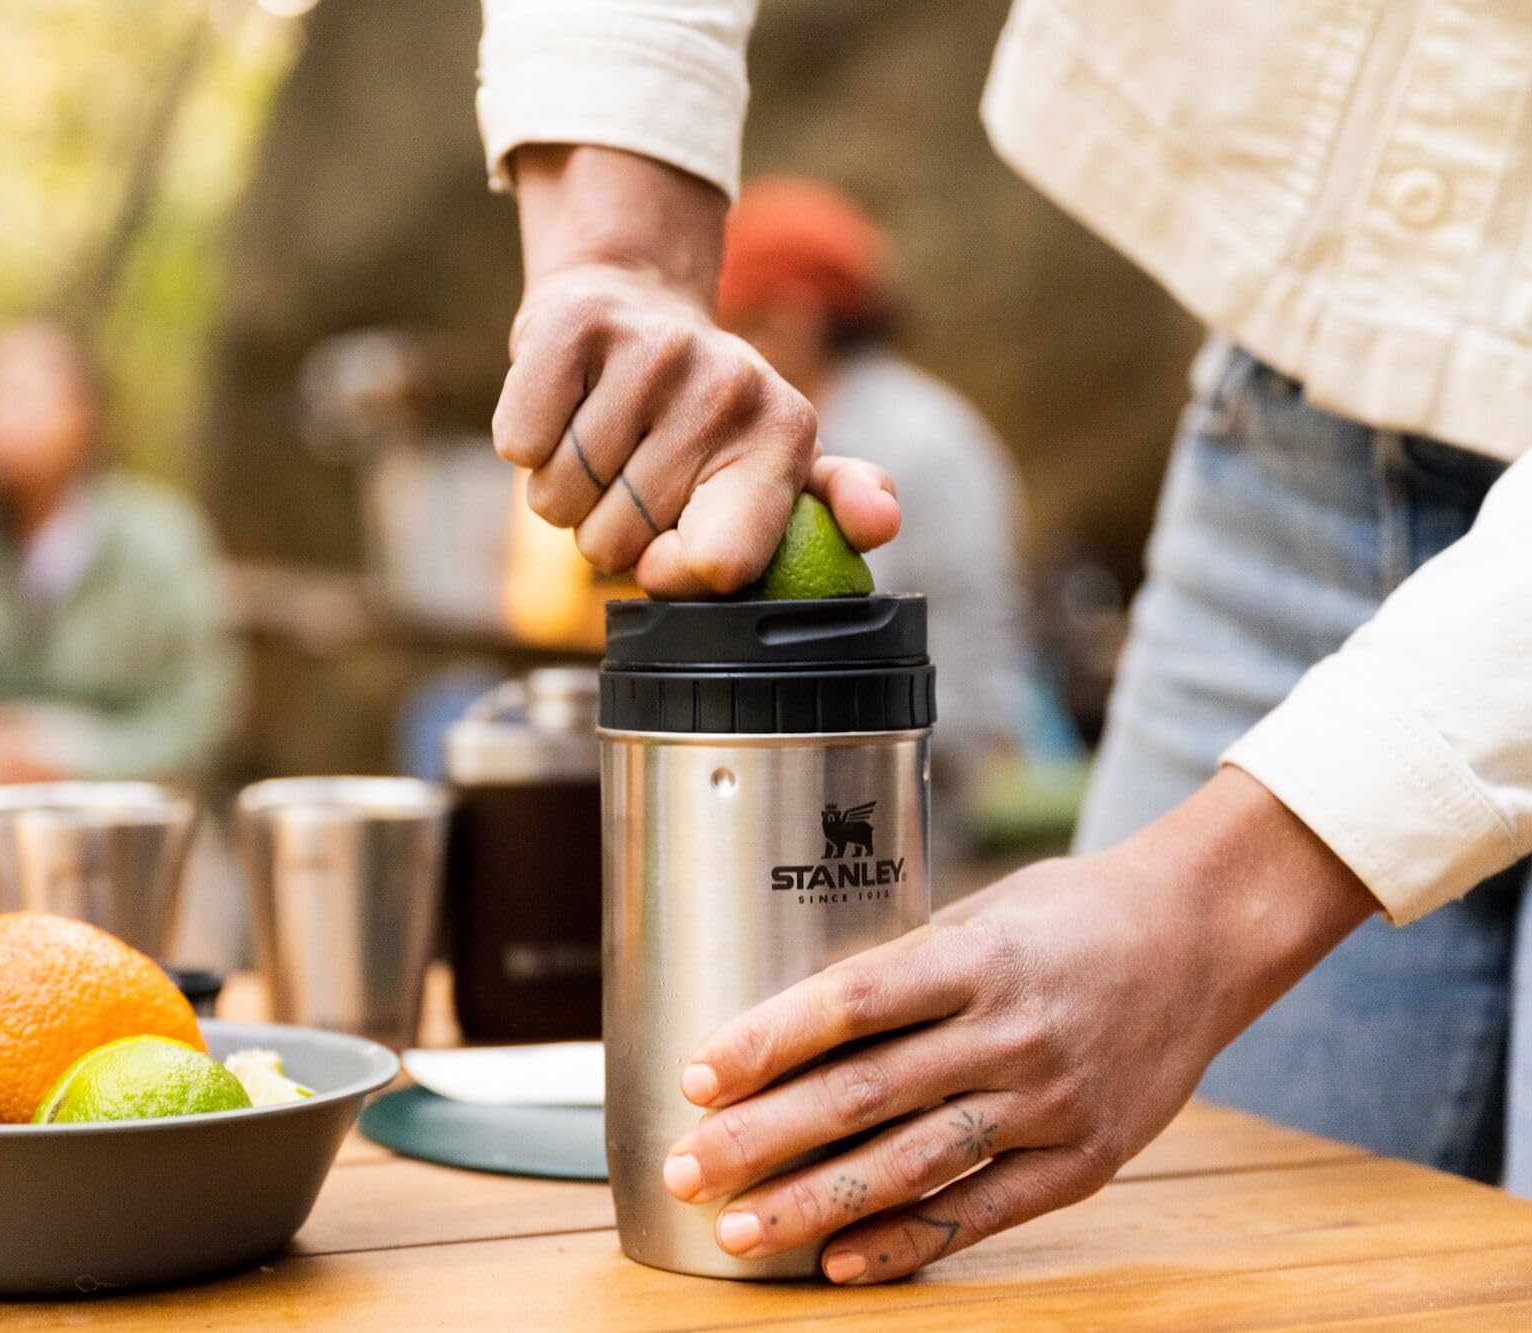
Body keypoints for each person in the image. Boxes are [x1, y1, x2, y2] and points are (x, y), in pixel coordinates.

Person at [476, 0, 1532, 1286]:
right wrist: (616, 254)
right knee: (1224, 1275)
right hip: (1290, 431)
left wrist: (1200, 911)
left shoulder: (896, 437)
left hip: (975, 742)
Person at [716, 176, 1044, 862]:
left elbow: (851, 627)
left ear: (792, 317)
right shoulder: (862, 419)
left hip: (917, 768)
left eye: (737, 325)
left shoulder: (897, 437)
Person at [0, 320, 241, 795]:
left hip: (122, 822)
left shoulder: (161, 543)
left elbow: (201, 721)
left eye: (27, 394)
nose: (2, 414)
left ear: (86, 417)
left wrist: (66, 756)